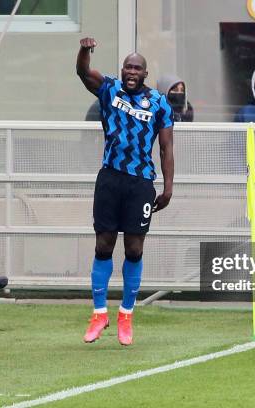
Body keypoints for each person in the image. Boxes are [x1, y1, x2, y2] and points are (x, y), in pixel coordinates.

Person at [76, 37, 174, 345]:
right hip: (110, 177)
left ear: (145, 73)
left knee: (134, 249)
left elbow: (167, 147)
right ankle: (99, 313)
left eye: (137, 68)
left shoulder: (159, 102)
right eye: (128, 67)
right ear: (122, 70)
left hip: (141, 183)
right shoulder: (109, 89)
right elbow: (82, 72)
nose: (132, 72)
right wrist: (84, 51)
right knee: (104, 245)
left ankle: (126, 315)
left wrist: (168, 188)